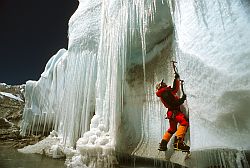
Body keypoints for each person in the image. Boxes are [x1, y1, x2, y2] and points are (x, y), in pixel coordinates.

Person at [155, 73, 190, 152]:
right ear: (161, 86)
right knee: (184, 122)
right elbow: (172, 103)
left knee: (172, 129)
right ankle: (178, 143)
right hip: (175, 112)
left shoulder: (165, 92)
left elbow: (174, 89)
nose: (164, 83)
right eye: (162, 83)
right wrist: (182, 99)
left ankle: (163, 144)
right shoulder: (165, 93)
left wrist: (176, 79)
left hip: (171, 113)